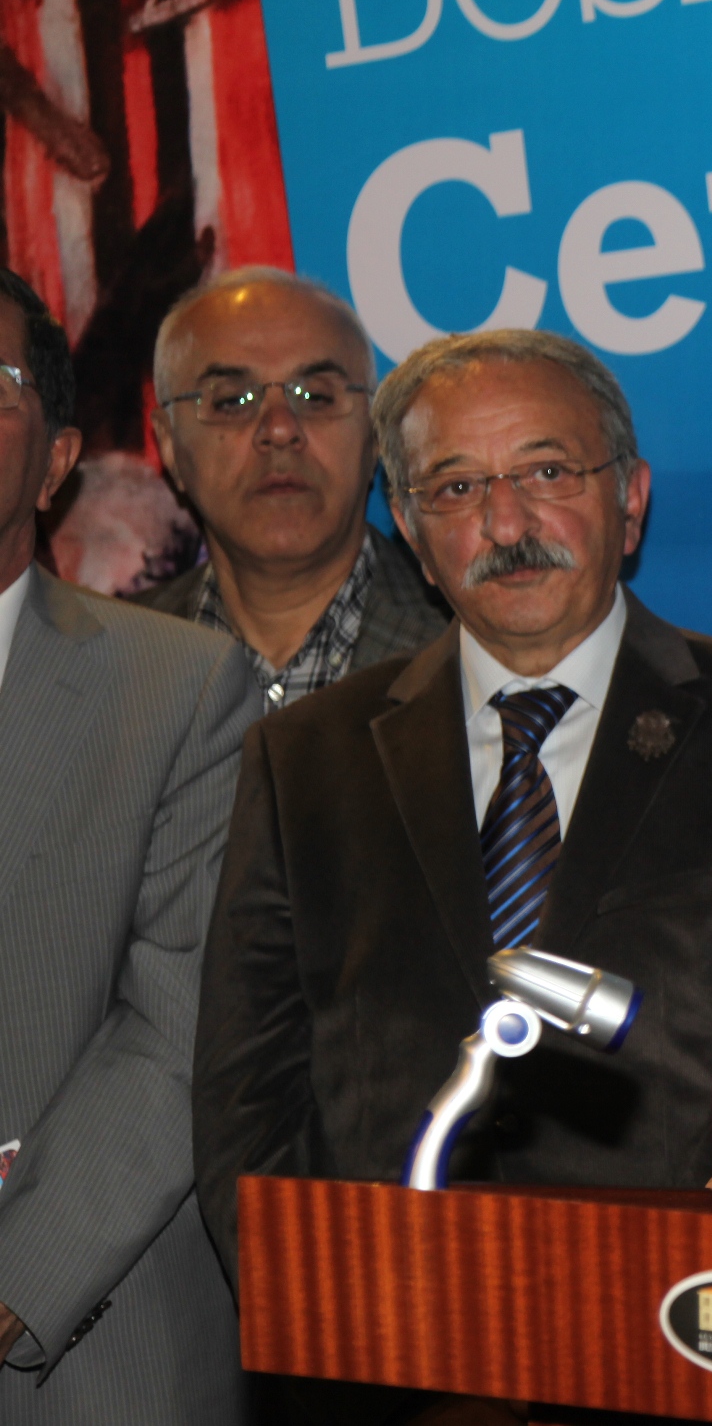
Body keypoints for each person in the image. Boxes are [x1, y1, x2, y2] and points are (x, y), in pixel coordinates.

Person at [192, 329, 712, 1301]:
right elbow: (248, 1098)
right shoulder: (306, 758)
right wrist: (328, 1314)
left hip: (678, 1326)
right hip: (386, 1331)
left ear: (630, 500)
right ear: (411, 533)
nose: (506, 521)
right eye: (456, 488)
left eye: (548, 471)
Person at [0, 269, 260, 1423]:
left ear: (56, 460)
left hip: (79, 1351)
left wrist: (14, 1285)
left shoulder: (180, 689)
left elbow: (182, 1021)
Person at [135, 267, 448, 707]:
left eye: (315, 397)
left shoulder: (464, 647)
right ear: (169, 445)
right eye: (233, 401)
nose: (280, 429)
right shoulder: (108, 661)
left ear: (374, 435)